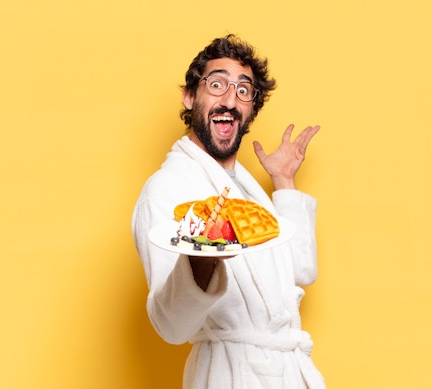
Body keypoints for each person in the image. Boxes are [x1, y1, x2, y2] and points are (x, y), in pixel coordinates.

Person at [131, 34, 326, 389]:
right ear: (190, 96)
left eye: (243, 90)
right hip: (230, 375)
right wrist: (201, 258)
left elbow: (301, 270)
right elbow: (171, 326)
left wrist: (283, 180)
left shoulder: (244, 190)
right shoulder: (167, 189)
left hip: (287, 371)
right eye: (217, 84)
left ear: (251, 108)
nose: (230, 100)